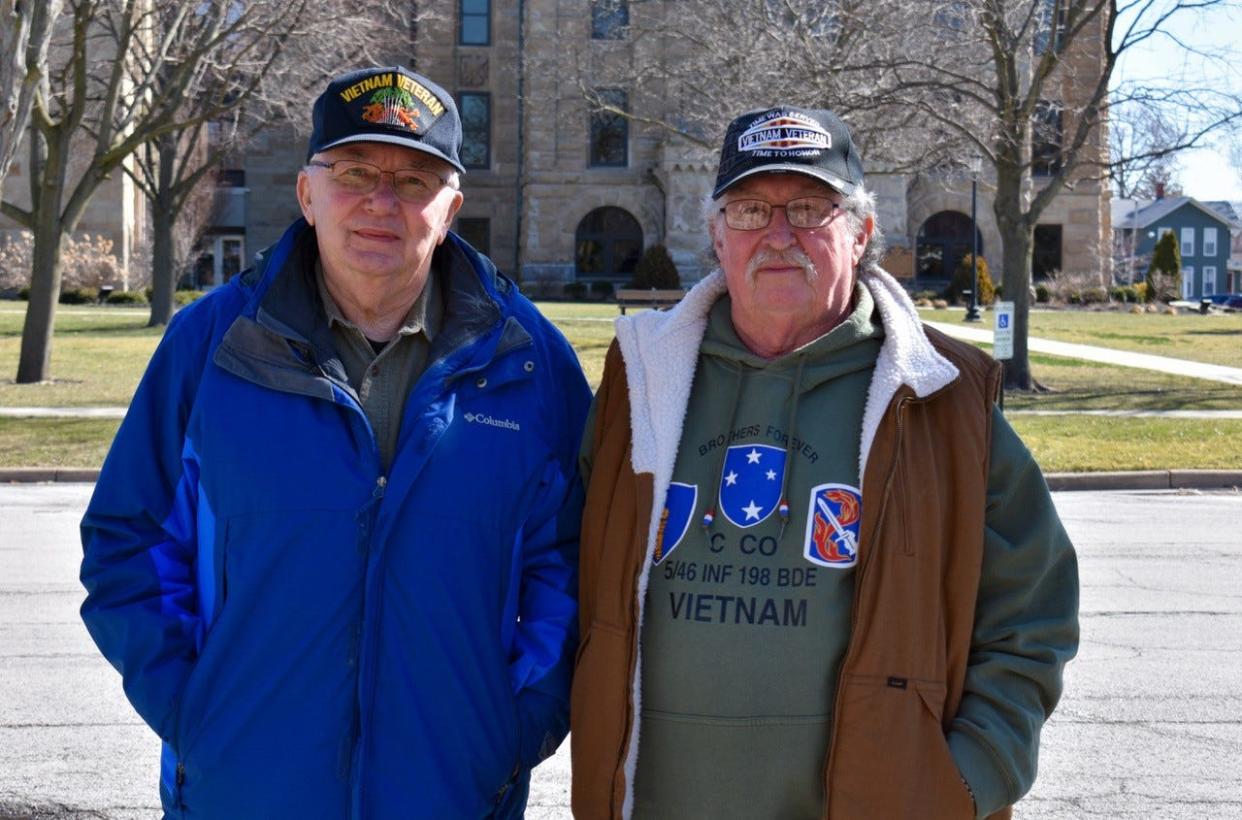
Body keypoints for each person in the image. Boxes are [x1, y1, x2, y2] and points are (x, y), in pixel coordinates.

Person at [80, 66, 590, 819]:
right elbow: (130, 543)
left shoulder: (529, 362)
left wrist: (511, 729)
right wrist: (198, 714)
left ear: (451, 209)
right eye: (354, 172)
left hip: (452, 790)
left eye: (415, 181)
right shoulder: (212, 346)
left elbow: (575, 568)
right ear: (307, 194)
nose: (382, 202)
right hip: (245, 791)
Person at [570, 106, 1079, 820]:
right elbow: (562, 572)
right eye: (749, 210)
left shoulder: (940, 396)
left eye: (810, 208)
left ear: (863, 232)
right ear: (717, 235)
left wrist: (968, 777)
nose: (778, 236)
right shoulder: (640, 382)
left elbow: (1033, 613)